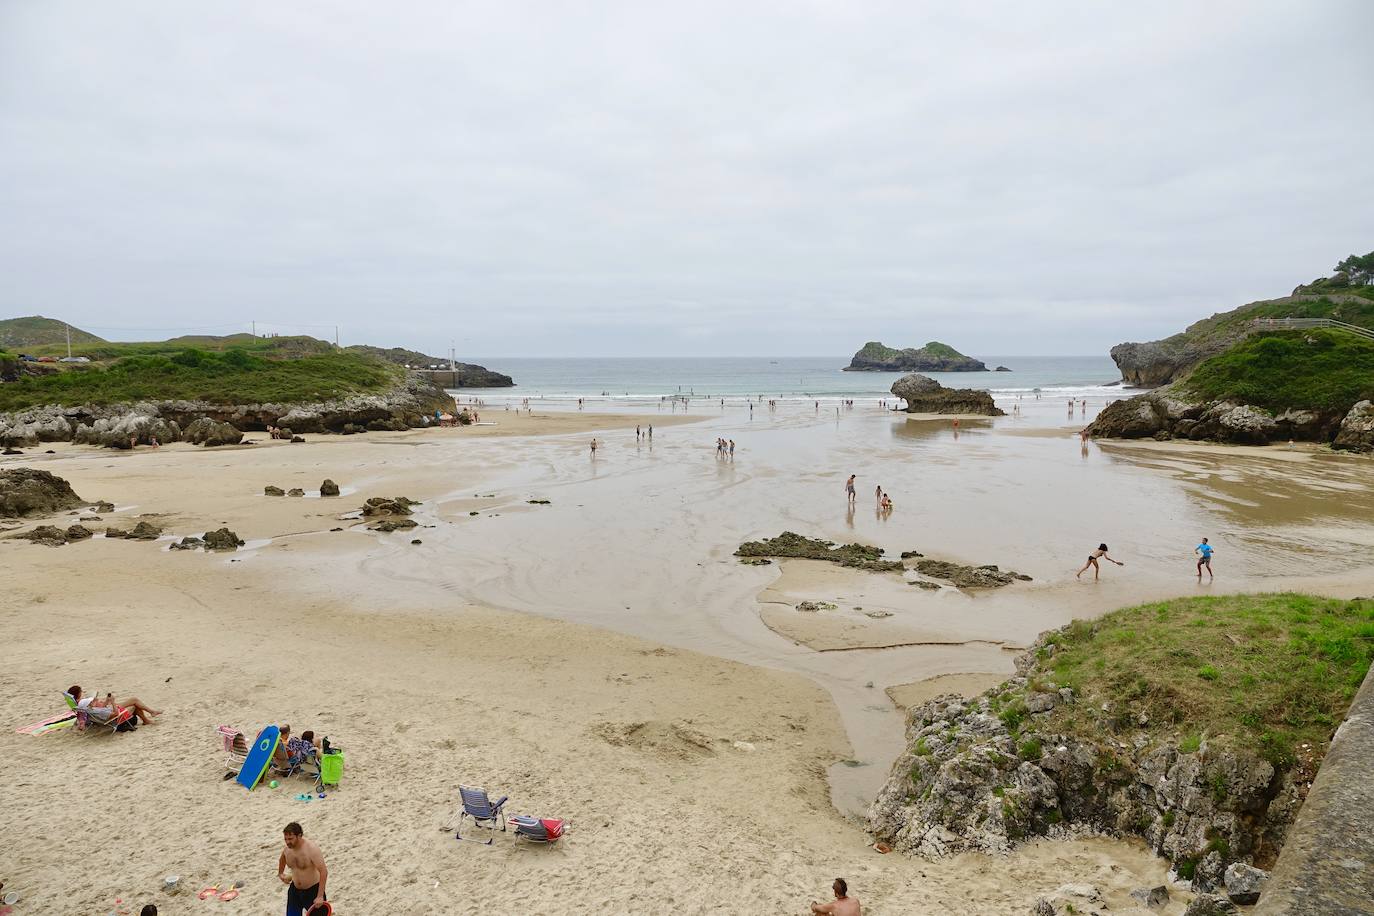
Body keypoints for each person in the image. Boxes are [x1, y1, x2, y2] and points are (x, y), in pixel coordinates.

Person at [279, 822, 327, 916]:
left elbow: (323, 871)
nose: (287, 842)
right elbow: (282, 859)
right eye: (285, 839)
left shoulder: (311, 849)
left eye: (290, 839)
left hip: (313, 891)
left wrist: (320, 896)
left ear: (299, 836)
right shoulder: (287, 849)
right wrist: (280, 873)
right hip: (295, 891)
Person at [67, 685, 160, 725]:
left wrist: (104, 701)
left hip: (107, 710)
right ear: (78, 693)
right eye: (81, 691)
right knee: (134, 702)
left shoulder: (79, 705)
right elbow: (104, 709)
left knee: (134, 701)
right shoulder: (85, 704)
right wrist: (111, 701)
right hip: (112, 713)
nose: (82, 692)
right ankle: (149, 716)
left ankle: (149, 716)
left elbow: (99, 708)